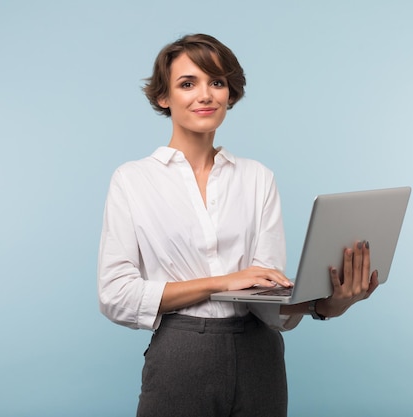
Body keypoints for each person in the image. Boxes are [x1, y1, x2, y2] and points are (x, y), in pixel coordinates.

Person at [97, 33, 379, 417]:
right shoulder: (132, 180)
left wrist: (329, 305)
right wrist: (220, 282)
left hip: (259, 356)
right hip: (181, 355)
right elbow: (116, 295)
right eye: (187, 83)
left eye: (217, 82)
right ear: (164, 97)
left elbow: (265, 301)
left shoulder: (257, 177)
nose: (206, 95)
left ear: (230, 94)